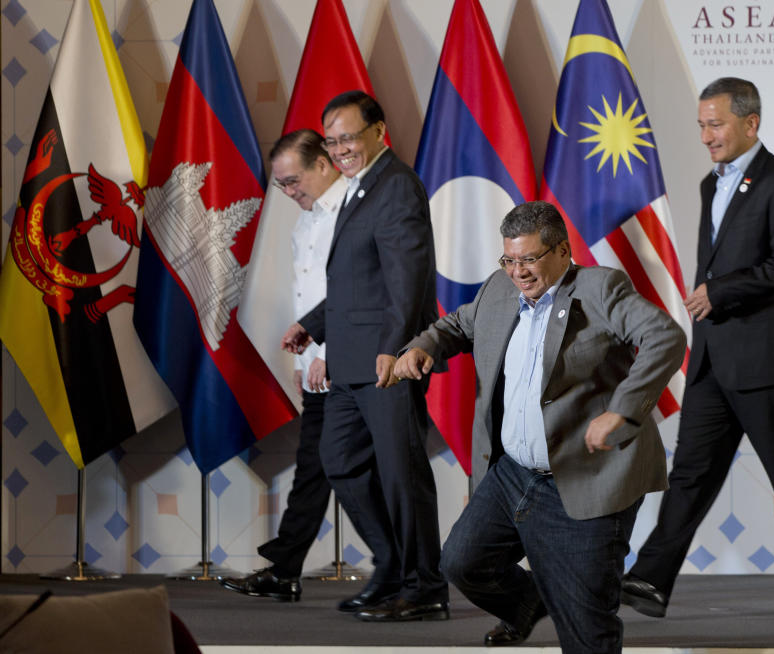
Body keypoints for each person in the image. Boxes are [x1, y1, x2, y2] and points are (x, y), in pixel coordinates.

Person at [390, 201, 686, 652]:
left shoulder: (600, 288)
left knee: (586, 630)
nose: (518, 271)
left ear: (563, 250)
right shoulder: (499, 289)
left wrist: (624, 410)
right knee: (462, 562)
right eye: (509, 259)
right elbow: (457, 325)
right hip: (513, 474)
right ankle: (531, 607)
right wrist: (424, 345)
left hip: (586, 475)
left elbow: (666, 336)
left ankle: (566, 610)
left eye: (529, 259)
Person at [620, 77, 774, 619]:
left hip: (766, 361)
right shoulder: (708, 184)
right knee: (691, 472)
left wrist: (720, 291)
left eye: (715, 124)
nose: (706, 136)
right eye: (701, 125)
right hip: (714, 360)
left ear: (751, 123)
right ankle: (649, 579)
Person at [281, 91, 447, 622]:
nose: (340, 148)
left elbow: (407, 278)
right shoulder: (358, 188)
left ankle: (424, 587)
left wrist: (394, 350)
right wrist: (313, 325)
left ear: (379, 132)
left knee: (402, 474)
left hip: (385, 365)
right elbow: (357, 282)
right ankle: (394, 568)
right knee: (341, 462)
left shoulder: (397, 186)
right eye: (332, 140)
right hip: (349, 362)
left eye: (349, 136)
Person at [220, 129, 345, 603]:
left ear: (323, 164)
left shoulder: (351, 215)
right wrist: (308, 356)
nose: (290, 193)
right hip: (320, 367)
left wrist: (329, 353)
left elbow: (355, 296)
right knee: (313, 466)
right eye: (282, 186)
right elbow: (309, 294)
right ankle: (284, 569)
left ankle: (413, 578)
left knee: (368, 475)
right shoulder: (304, 222)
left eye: (294, 181)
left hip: (351, 364)